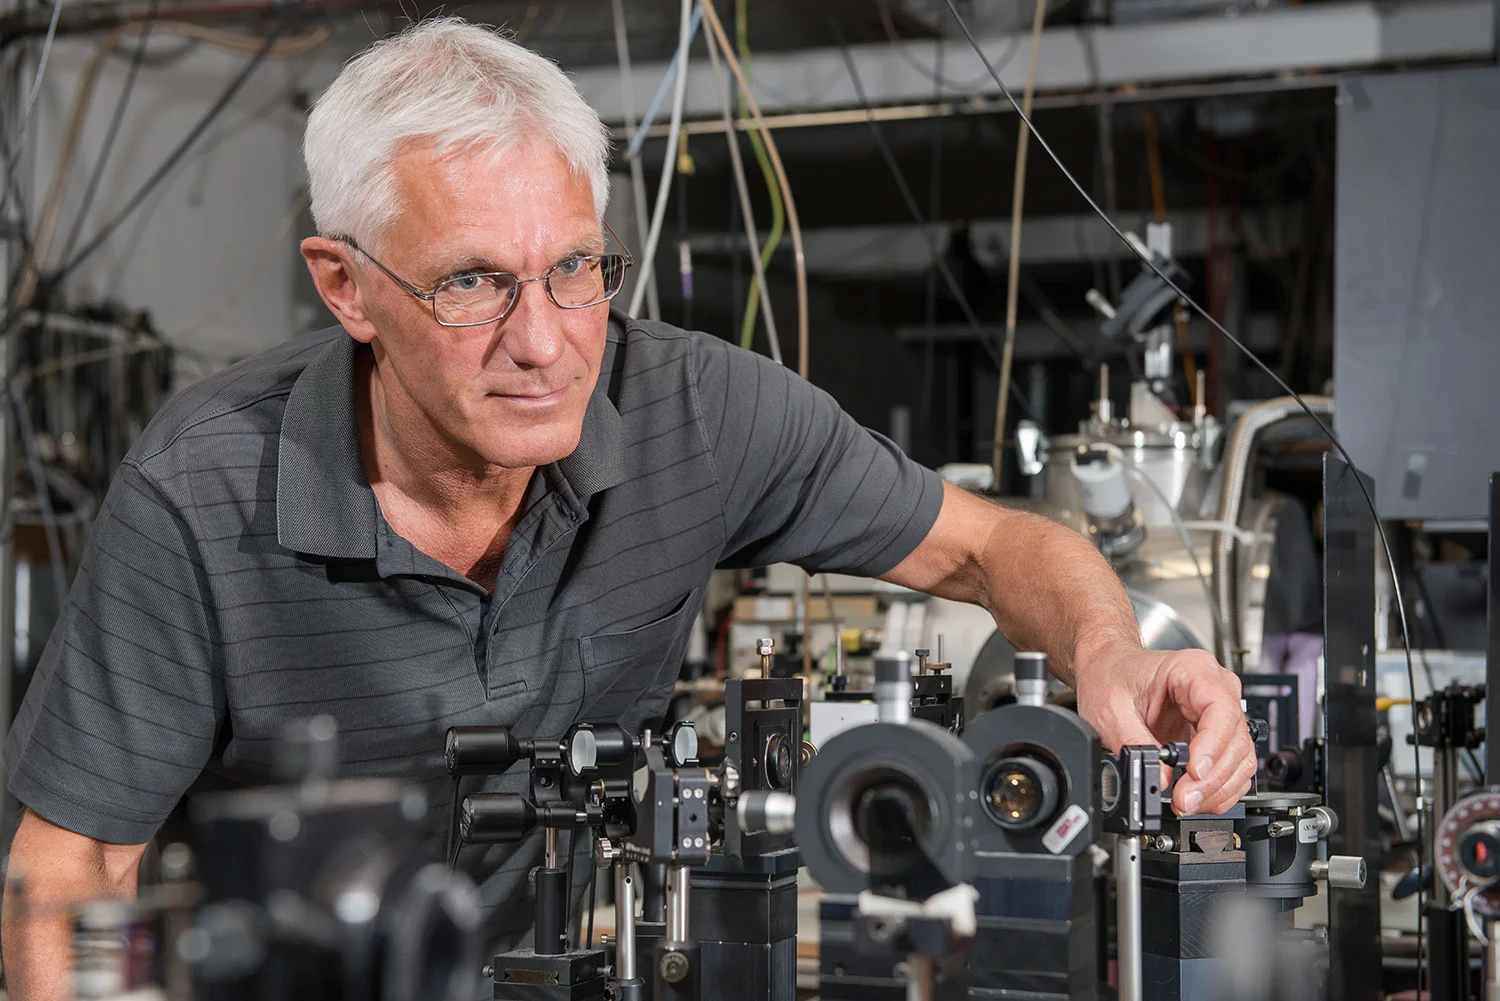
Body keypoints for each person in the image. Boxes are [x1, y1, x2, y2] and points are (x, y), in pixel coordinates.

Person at [0, 18, 1255, 999]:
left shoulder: (697, 413)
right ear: (346, 286)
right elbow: (70, 868)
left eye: (574, 268)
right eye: (475, 282)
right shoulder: (204, 488)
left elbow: (993, 545)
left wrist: (1110, 651)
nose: (542, 340)